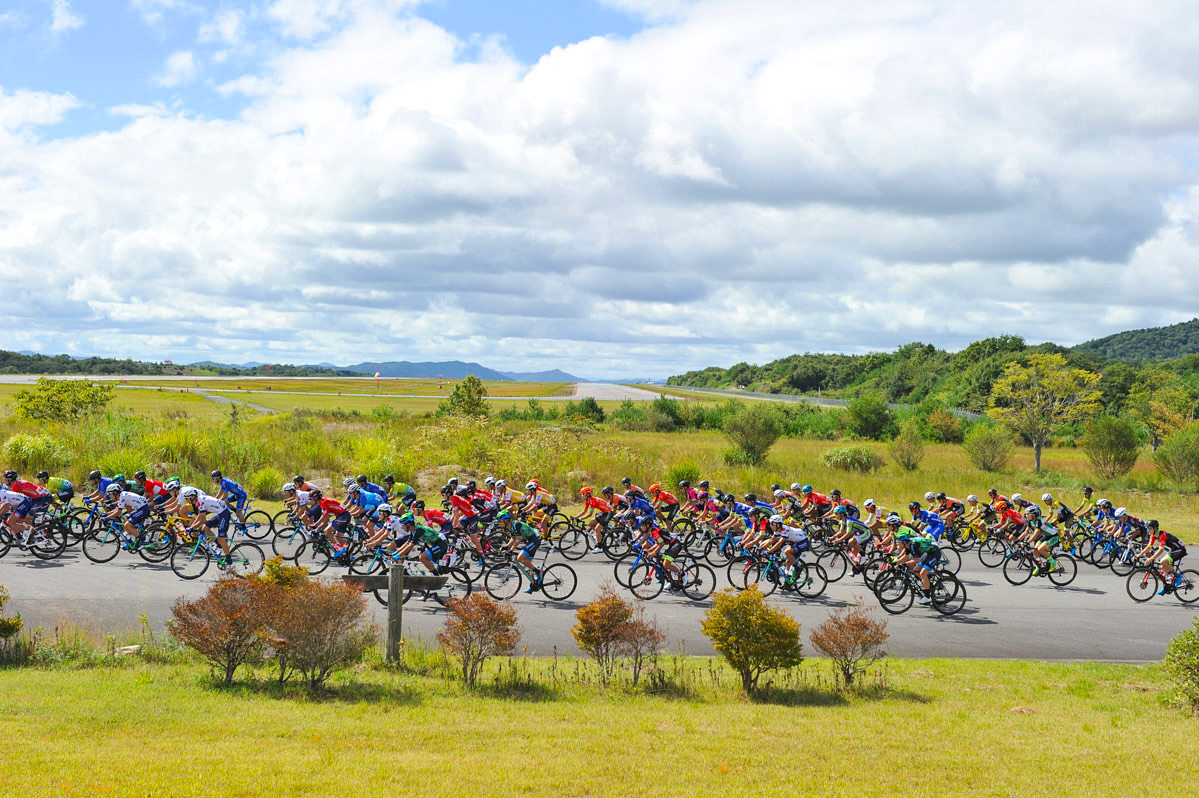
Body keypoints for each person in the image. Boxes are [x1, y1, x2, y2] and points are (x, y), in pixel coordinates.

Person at [181, 487, 234, 566]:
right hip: (220, 513)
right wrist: (193, 526)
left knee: (221, 539)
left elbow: (202, 516)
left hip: (224, 514)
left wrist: (192, 527)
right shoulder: (198, 501)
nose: (186, 501)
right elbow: (199, 515)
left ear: (192, 497)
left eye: (187, 499)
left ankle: (230, 563)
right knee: (204, 528)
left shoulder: (200, 501)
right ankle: (219, 546)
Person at [1137, 521, 1188, 594]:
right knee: (1163, 567)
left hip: (1180, 549)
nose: (1147, 530)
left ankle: (1178, 576)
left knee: (1162, 561)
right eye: (1147, 528)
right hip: (1173, 550)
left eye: (1149, 528)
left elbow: (1161, 550)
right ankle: (1167, 586)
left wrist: (1151, 558)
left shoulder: (1162, 535)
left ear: (1155, 529)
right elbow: (1148, 547)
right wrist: (1139, 555)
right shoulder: (1153, 536)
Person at [576, 486, 612, 553]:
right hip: (603, 512)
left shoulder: (592, 501)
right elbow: (584, 511)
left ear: (587, 494)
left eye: (583, 494)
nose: (581, 496)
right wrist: (576, 517)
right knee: (591, 524)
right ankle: (600, 536)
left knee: (597, 529)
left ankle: (600, 547)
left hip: (608, 513)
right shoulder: (587, 501)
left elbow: (590, 514)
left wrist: (581, 518)